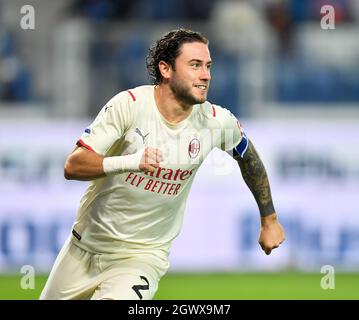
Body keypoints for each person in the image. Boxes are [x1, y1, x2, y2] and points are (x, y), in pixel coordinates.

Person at [40, 28, 285, 300]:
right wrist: (131, 162)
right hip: (82, 249)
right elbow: (73, 166)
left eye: (208, 66)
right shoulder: (129, 106)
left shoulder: (216, 120)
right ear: (165, 69)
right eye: (195, 65)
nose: (206, 75)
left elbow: (248, 156)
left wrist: (269, 219)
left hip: (141, 258)